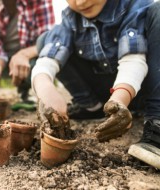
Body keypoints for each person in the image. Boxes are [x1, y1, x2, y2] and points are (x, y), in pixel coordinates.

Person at [32, 0, 160, 169]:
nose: (81, 2)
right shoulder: (70, 19)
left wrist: (120, 99)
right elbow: (46, 61)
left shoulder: (133, 6)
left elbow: (133, 60)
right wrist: (46, 90)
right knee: (45, 40)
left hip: (141, 88)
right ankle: (91, 106)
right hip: (106, 94)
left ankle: (156, 122)